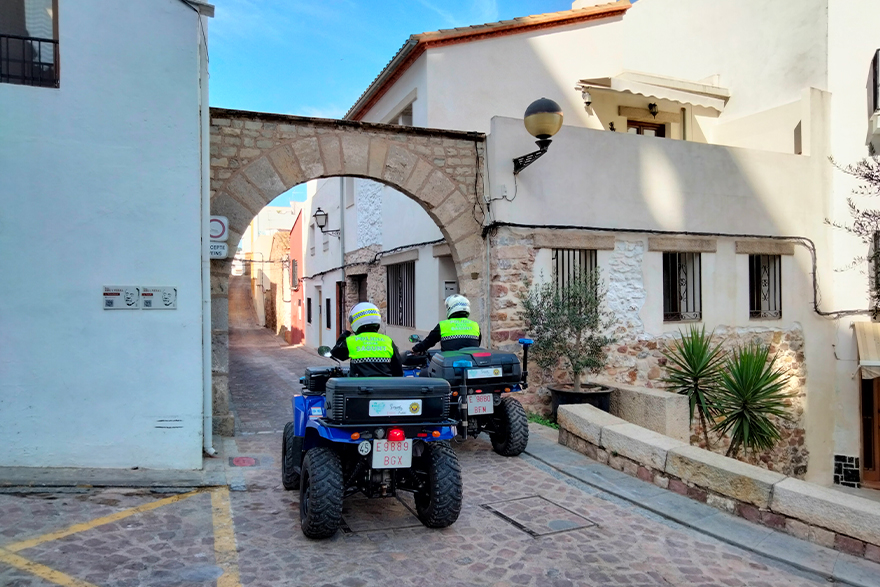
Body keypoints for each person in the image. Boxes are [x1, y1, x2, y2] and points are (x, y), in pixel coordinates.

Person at [331, 302, 404, 377]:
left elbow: (335, 353)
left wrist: (347, 331)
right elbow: (398, 371)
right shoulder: (388, 341)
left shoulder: (351, 341)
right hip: (384, 387)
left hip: (359, 387)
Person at [412, 294, 481, 353]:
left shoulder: (443, 325)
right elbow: (478, 344)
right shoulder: (475, 325)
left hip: (450, 364)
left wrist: (415, 349)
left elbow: (429, 342)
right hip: (473, 364)